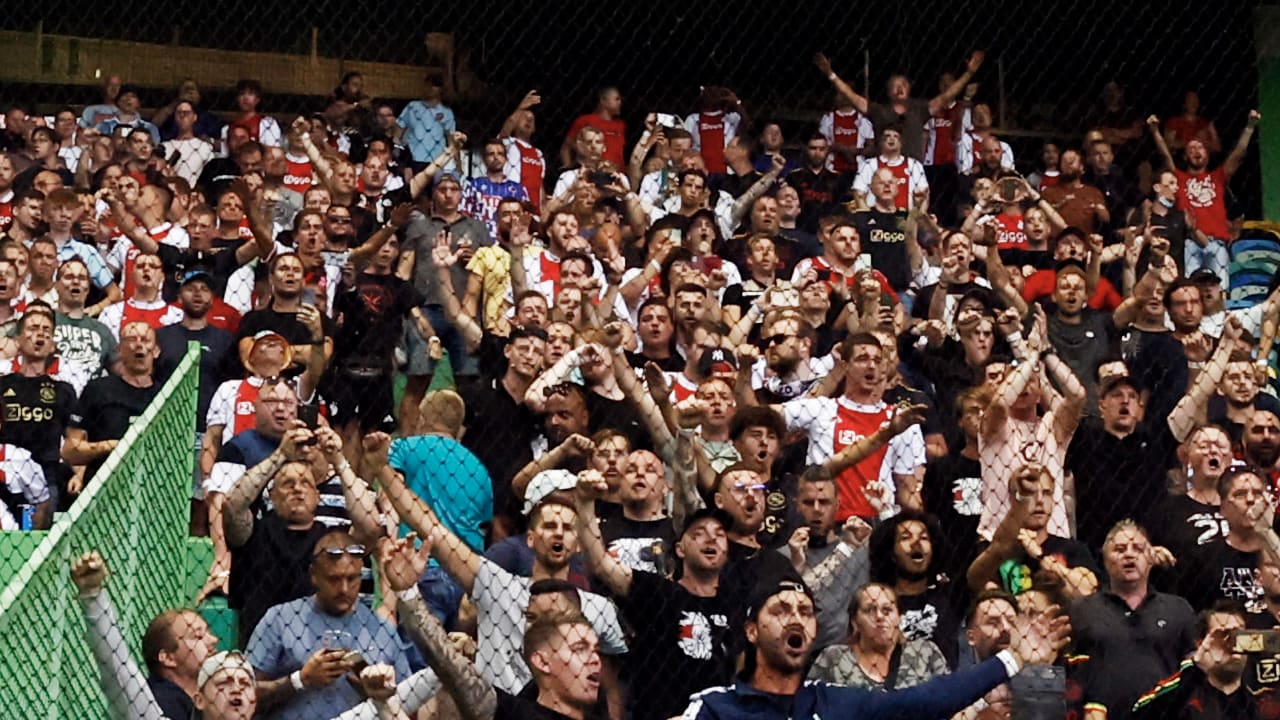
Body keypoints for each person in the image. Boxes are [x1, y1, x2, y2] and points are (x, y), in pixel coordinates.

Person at [371, 435, 628, 700]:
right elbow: (433, 529)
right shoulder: (497, 585)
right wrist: (382, 470)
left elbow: (613, 689)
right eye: (549, 526)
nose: (558, 534)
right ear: (530, 538)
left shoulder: (599, 608)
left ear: (579, 543)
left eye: (567, 528)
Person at [679, 576, 1066, 719]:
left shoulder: (831, 703)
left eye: (804, 611)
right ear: (751, 631)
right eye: (780, 611)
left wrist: (1011, 659)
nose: (795, 618)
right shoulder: (715, 707)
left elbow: (926, 701)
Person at [246, 530, 411, 720]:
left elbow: (410, 704)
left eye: (352, 578)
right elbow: (246, 694)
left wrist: (376, 693)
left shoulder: (382, 630)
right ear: (313, 575)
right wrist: (301, 679)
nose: (344, 589)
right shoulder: (280, 619)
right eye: (334, 579)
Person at [1070, 520, 1197, 719]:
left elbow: (1193, 669)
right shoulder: (1080, 609)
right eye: (1119, 549)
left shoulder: (1178, 609)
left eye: (1138, 549)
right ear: (1104, 558)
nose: (1129, 554)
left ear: (1150, 557)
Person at [1151, 110, 1261, 286]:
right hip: (1191, 242)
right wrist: (1155, 131)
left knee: (1220, 290)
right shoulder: (1179, 179)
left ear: (1207, 154)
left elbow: (1237, 154)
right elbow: (1165, 156)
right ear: (1185, 156)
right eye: (1191, 148)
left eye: (1200, 147)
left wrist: (1249, 126)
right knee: (1192, 288)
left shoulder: (1217, 177)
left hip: (1216, 243)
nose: (1196, 151)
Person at [808, 582, 948, 691]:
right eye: (870, 610)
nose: (880, 616)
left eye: (887, 610)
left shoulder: (925, 651)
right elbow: (809, 706)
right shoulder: (834, 657)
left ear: (899, 617)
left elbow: (952, 702)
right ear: (855, 621)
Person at [1130, 601, 1257, 719]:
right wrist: (1196, 670)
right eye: (1223, 636)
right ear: (1201, 644)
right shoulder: (1183, 694)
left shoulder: (1259, 696)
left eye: (1239, 634)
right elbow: (1139, 712)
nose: (1232, 643)